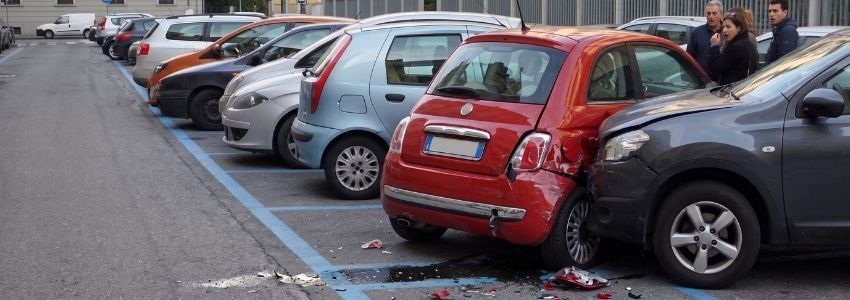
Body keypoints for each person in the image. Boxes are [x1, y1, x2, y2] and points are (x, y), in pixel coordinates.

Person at [708, 11, 758, 85]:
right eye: (723, 27)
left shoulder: (736, 46)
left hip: (733, 90)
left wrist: (714, 46)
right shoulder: (746, 42)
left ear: (739, 28)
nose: (724, 30)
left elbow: (716, 69)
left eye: (728, 27)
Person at [687, 0, 724, 78]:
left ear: (721, 14)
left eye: (714, 13)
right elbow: (689, 57)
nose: (711, 16)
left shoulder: (727, 32)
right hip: (700, 81)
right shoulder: (696, 32)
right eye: (708, 13)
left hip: (722, 81)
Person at [765, 0, 798, 65]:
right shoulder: (778, 30)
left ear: (785, 12)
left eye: (775, 11)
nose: (771, 14)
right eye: (769, 11)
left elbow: (784, 61)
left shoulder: (788, 31)